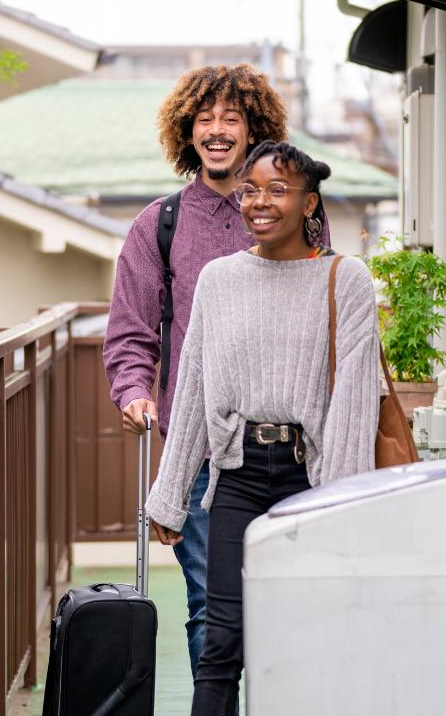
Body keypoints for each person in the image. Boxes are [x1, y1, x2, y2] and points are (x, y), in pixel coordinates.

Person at [144, 141, 380, 716]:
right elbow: (194, 388)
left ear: (309, 204)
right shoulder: (218, 280)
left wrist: (341, 505)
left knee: (311, 635)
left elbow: (354, 403)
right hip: (237, 475)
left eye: (278, 190)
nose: (260, 202)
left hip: (312, 476)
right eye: (251, 190)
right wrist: (170, 497)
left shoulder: (345, 280)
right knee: (222, 640)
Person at [102, 64, 306, 680]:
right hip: (199, 450)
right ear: (187, 133)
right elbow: (131, 329)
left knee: (290, 608)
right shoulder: (158, 225)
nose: (217, 130)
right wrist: (135, 391)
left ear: (253, 131)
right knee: (210, 611)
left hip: (294, 447)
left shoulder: (289, 211)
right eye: (205, 119)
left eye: (232, 119)